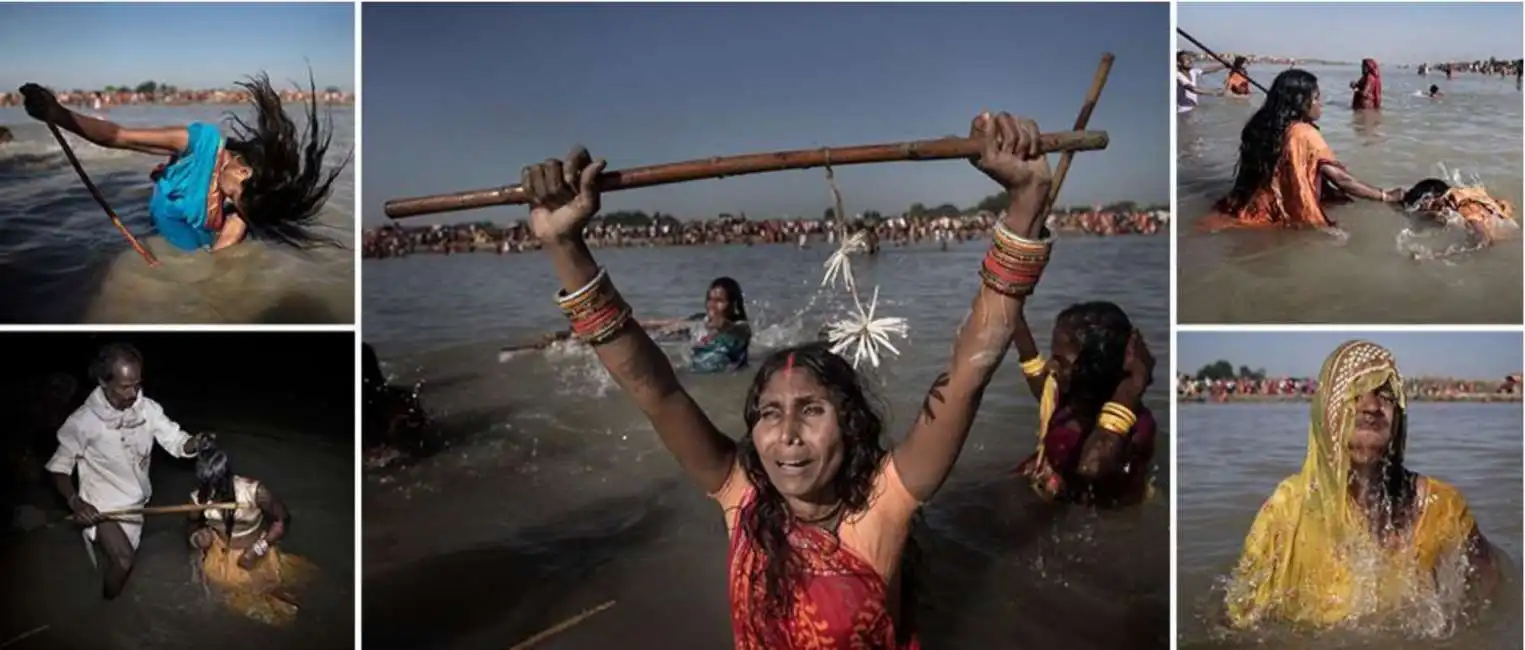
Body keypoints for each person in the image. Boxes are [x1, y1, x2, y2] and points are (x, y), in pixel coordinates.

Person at [522, 110, 1076, 648]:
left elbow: (968, 377)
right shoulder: (740, 498)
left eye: (811, 410)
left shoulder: (882, 505)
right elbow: (654, 389)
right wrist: (565, 245)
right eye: (769, 413)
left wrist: (1026, 206)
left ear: (851, 424)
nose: (786, 434)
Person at [1223, 340, 1498, 629]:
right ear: (1328, 411)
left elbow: (1490, 592)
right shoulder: (1287, 510)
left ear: (1399, 414)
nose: (1370, 406)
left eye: (1384, 394)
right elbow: (1237, 619)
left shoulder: (1443, 507)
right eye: (1354, 393)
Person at [17, 73, 348, 253]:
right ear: (243, 171)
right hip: (162, 228)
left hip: (193, 244)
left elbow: (232, 233)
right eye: (237, 198)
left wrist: (218, 263)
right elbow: (118, 136)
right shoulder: (198, 142)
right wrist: (57, 114)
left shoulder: (247, 204)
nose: (232, 203)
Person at [45, 343, 215, 599]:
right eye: (125, 386)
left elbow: (175, 440)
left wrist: (196, 443)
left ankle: (104, 592)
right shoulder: (83, 422)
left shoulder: (147, 410)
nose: (134, 393)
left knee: (123, 558)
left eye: (137, 384)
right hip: (100, 508)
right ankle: (105, 610)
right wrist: (76, 502)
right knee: (124, 561)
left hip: (136, 505)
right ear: (104, 381)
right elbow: (59, 468)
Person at [1198, 69, 1404, 232]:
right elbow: (1342, 180)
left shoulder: (1260, 124)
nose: (1320, 104)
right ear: (1300, 102)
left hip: (1251, 206)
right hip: (1283, 216)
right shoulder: (1303, 133)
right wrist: (1385, 196)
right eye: (1316, 98)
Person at [1014, 302, 1157, 507]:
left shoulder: (1136, 429)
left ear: (1095, 371)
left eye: (1060, 362)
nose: (1049, 366)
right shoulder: (1070, 399)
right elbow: (1031, 361)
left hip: (1091, 515)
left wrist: (1133, 387)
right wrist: (1010, 306)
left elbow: (1092, 467)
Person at [188, 445, 314, 625]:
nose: (212, 493)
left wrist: (258, 549)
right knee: (251, 608)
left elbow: (282, 519)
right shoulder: (197, 499)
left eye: (216, 485)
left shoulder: (254, 492)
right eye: (207, 485)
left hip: (256, 552)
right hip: (222, 558)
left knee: (287, 596)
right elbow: (192, 525)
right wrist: (197, 538)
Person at [643, 277, 753, 373]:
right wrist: (641, 325)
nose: (712, 306)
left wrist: (725, 326)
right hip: (696, 371)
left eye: (719, 301)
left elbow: (738, 330)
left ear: (734, 304)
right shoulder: (701, 322)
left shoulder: (741, 328)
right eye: (709, 300)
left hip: (727, 376)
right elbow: (668, 324)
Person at [1399, 178, 1517, 251]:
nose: (1422, 209)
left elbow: (1485, 241)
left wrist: (1435, 255)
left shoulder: (1465, 209)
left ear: (1436, 198)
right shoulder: (1453, 193)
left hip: (1506, 234)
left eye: (1423, 206)